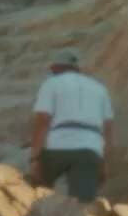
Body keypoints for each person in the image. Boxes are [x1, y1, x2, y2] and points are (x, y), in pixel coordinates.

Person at [27, 50, 113, 202]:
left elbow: (43, 122)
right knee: (82, 204)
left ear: (55, 68)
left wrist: (34, 159)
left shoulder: (51, 84)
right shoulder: (100, 89)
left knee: (37, 190)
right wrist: (104, 163)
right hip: (90, 147)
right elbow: (107, 130)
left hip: (58, 145)